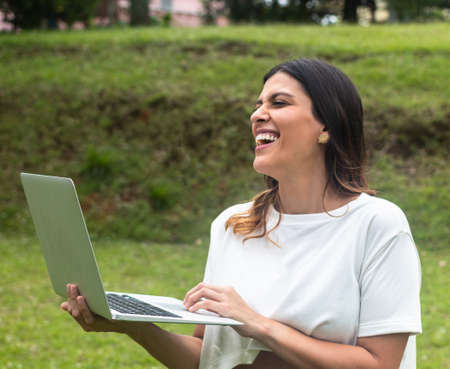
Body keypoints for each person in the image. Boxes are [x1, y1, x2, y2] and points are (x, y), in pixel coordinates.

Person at [61, 58, 422, 369]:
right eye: (259, 103)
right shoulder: (233, 225)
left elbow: (380, 363)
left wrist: (256, 323)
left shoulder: (376, 225)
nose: (258, 114)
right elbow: (207, 356)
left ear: (326, 127)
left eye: (279, 103)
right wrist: (134, 325)